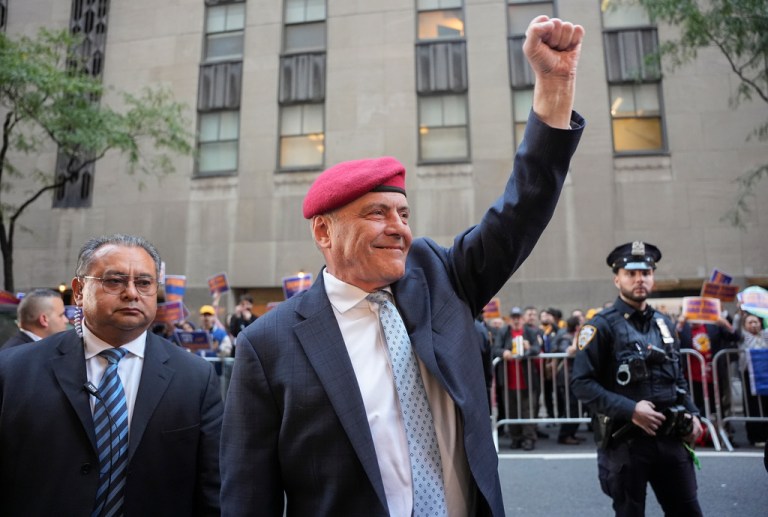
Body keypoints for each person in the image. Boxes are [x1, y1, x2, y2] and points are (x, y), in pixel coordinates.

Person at [221, 15, 585, 516]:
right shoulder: (268, 344)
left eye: (404, 213)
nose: (399, 227)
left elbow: (521, 210)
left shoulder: (443, 280)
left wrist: (555, 85)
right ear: (324, 231)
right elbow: (248, 494)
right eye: (376, 213)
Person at [0, 233, 223, 515]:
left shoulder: (195, 378)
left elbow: (212, 488)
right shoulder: (14, 370)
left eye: (144, 283)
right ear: (79, 291)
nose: (131, 293)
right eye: (114, 281)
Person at [571, 241, 704, 517]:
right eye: (631, 273)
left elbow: (677, 377)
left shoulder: (665, 324)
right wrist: (631, 410)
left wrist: (693, 414)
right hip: (626, 443)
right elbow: (581, 384)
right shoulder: (599, 326)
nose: (639, 279)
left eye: (645, 273)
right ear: (616, 279)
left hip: (670, 437)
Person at [493, 306, 542, 450]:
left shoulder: (530, 332)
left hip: (527, 379)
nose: (516, 320)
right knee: (512, 411)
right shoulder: (504, 332)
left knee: (528, 411)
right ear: (510, 319)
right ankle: (516, 438)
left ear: (522, 319)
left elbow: (537, 349)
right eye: (513, 317)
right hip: (508, 380)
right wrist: (504, 353)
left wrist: (527, 350)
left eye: (518, 317)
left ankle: (529, 438)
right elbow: (496, 349)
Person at [733, 310, 768, 445]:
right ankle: (756, 436)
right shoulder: (744, 336)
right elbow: (736, 329)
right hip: (750, 375)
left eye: (756, 322)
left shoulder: (765, 335)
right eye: (750, 322)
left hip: (765, 375)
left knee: (766, 405)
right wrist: (739, 314)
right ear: (745, 325)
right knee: (753, 405)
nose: (754, 325)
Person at [0, 288, 69, 350]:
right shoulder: (20, 354)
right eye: (61, 315)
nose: (66, 320)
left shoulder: (37, 346)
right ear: (44, 320)